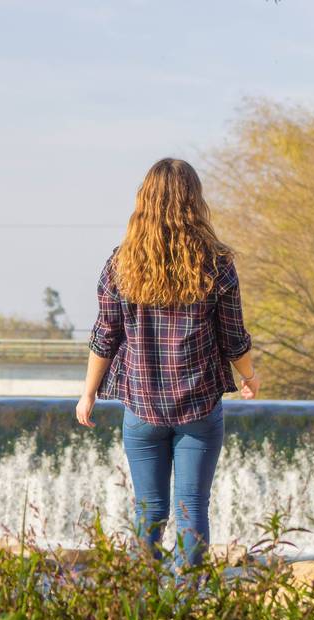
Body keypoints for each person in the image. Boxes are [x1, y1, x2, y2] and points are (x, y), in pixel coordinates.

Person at [74, 157, 260, 576]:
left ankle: (145, 606)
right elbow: (234, 337)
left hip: (141, 407)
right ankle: (187, 606)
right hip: (198, 405)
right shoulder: (218, 264)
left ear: (144, 201)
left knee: (150, 509)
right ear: (195, 202)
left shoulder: (120, 264)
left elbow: (106, 334)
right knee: (192, 505)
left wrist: (89, 392)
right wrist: (248, 376)